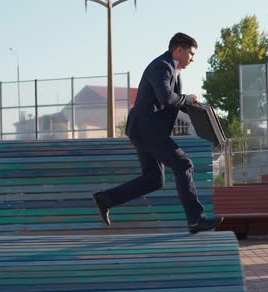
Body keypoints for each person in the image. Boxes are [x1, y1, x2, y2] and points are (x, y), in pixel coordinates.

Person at [93, 32, 223, 234]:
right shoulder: (161, 67)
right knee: (183, 164)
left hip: (144, 130)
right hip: (147, 130)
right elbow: (166, 98)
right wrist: (187, 99)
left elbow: (172, 102)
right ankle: (196, 219)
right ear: (178, 50)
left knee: (154, 179)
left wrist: (195, 108)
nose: (192, 59)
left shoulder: (174, 70)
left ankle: (106, 199)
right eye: (191, 54)